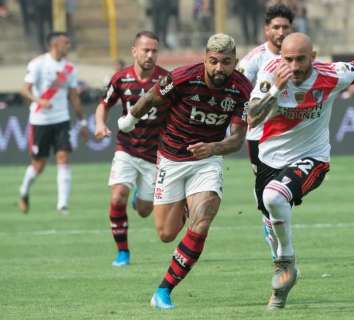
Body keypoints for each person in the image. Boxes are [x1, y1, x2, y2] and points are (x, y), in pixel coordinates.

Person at [247, 32, 354, 310]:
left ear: (313, 57)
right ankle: (285, 276)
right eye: (288, 59)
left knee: (274, 197)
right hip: (269, 159)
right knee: (269, 218)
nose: (293, 66)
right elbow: (253, 115)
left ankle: (286, 261)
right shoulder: (270, 74)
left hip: (311, 158)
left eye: (300, 59)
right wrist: (276, 90)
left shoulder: (333, 74)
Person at [118, 33, 252, 309]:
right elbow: (151, 98)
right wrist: (130, 120)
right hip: (170, 159)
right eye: (213, 61)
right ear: (205, 58)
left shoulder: (242, 89)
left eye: (226, 62)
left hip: (207, 161)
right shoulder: (182, 77)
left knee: (203, 219)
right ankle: (183, 205)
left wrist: (213, 148)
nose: (219, 68)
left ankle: (164, 290)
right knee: (166, 234)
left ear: (234, 62)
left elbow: (237, 139)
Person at [95, 31, 169, 267]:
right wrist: (99, 124)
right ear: (134, 51)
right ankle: (123, 252)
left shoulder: (167, 80)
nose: (150, 55)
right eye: (145, 50)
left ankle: (141, 198)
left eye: (154, 50)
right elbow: (103, 105)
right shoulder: (121, 78)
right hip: (126, 148)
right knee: (117, 197)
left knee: (145, 211)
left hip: (154, 154)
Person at [237, 3, 294, 260]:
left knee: (284, 190)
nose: (281, 32)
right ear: (266, 30)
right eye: (276, 27)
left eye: (285, 27)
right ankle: (275, 242)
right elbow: (237, 93)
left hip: (290, 133)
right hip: (259, 134)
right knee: (268, 192)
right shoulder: (253, 60)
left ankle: (274, 224)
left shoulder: (297, 55)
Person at [19, 31, 89, 215]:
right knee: (38, 165)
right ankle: (24, 192)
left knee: (63, 157)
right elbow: (24, 90)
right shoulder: (38, 64)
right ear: (55, 45)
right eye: (66, 42)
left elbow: (74, 97)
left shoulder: (69, 68)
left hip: (61, 120)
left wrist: (82, 123)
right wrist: (38, 100)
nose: (69, 45)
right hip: (40, 121)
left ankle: (62, 205)